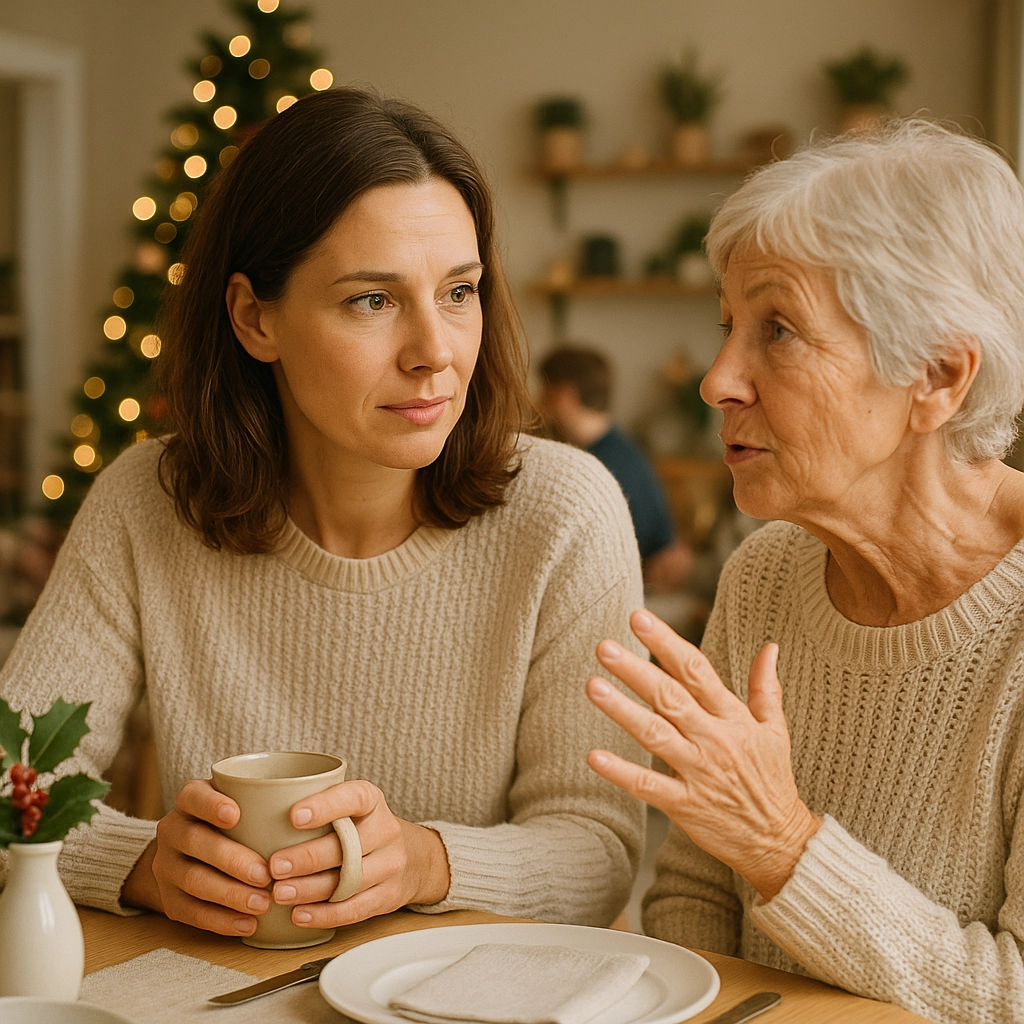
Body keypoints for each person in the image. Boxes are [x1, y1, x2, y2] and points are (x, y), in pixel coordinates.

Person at [0, 89, 646, 937]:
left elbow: (596, 853)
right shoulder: (146, 502)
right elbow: (11, 780)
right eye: (371, 301)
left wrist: (422, 862)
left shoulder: (567, 514)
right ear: (253, 317)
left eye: (459, 291)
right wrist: (141, 865)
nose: (435, 352)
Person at [583, 120, 1024, 1024]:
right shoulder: (767, 576)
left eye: (777, 329)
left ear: (937, 375)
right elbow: (694, 896)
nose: (715, 380)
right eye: (728, 327)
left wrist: (785, 844)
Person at [539, 346, 691, 592]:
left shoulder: (597, 466)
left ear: (563, 396)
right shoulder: (620, 449)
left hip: (643, 594)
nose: (538, 402)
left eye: (544, 392)